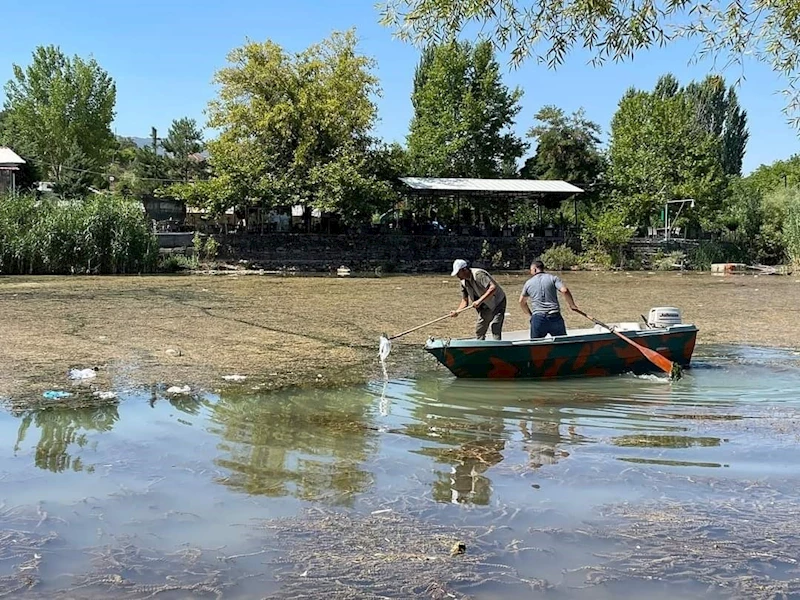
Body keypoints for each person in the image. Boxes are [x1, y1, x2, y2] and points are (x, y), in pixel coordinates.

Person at [519, 260, 579, 339]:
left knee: (536, 347)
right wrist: (572, 305)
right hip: (554, 317)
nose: (531, 272)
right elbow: (565, 291)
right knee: (562, 344)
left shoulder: (528, 283)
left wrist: (531, 314)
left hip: (538, 318)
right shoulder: (553, 278)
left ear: (534, 269)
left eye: (531, 270)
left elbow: (521, 302)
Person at [449, 259, 507, 340]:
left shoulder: (479, 275)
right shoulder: (463, 283)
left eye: (458, 273)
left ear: (464, 270)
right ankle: (480, 348)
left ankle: (498, 347)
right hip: (485, 306)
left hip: (498, 301)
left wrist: (479, 301)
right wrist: (457, 311)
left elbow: (492, 287)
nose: (457, 276)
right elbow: (465, 301)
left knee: (495, 326)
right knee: (480, 329)